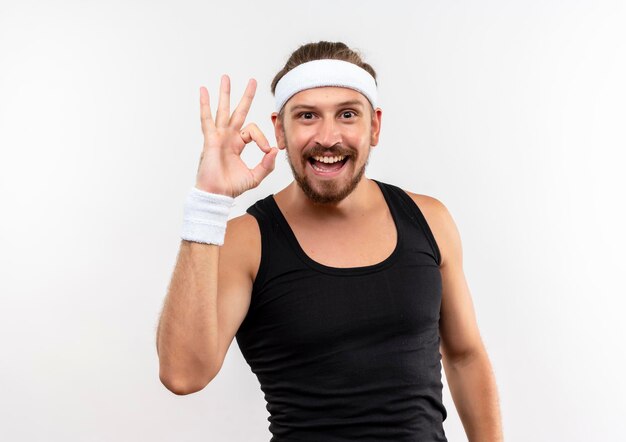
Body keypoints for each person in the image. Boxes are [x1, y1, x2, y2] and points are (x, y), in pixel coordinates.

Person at [156, 41, 504, 441]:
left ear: (373, 126)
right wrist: (207, 204)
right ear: (279, 130)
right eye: (306, 116)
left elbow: (464, 356)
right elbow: (182, 374)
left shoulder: (428, 219)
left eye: (347, 115)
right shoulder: (247, 242)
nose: (327, 136)